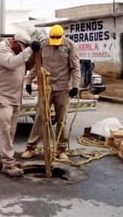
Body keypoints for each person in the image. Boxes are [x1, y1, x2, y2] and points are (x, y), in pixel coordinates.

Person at [21, 24, 80, 160]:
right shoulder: (43, 45)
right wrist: (28, 81)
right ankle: (31, 147)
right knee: (40, 117)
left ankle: (61, 149)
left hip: (62, 88)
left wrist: (75, 86)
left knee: (61, 120)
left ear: (62, 36)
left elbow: (75, 68)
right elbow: (37, 64)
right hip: (45, 87)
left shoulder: (70, 46)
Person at [0, 31, 41, 177]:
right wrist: (29, 50)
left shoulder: (21, 52)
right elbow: (11, 63)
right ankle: (8, 164)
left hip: (14, 97)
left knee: (9, 132)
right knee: (4, 130)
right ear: (15, 42)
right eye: (23, 47)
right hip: (0, 97)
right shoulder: (1, 48)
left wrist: (36, 53)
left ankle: (2, 160)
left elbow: (27, 65)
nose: (24, 50)